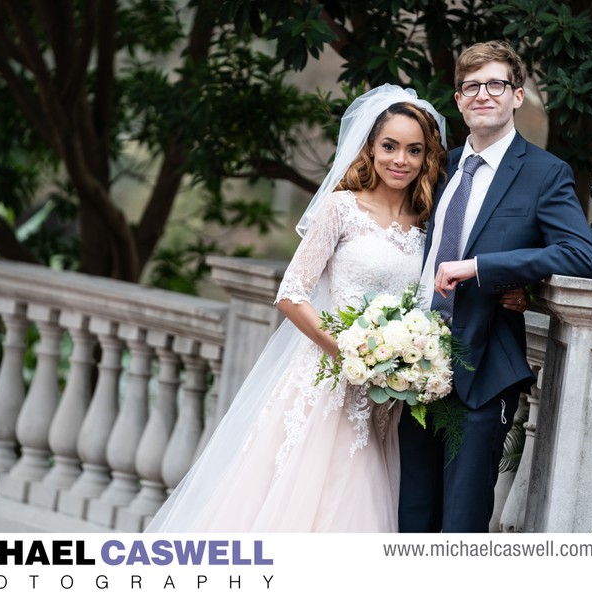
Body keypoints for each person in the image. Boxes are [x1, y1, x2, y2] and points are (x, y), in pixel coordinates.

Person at [145, 84, 450, 532]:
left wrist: (404, 359)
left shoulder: (427, 223)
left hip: (386, 397)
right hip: (326, 381)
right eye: (390, 146)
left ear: (427, 158)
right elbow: (291, 293)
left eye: (413, 150)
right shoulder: (341, 209)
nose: (399, 160)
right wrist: (349, 353)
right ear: (370, 147)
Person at [397, 41, 592, 533]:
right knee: (410, 517)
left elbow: (579, 254)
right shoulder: (436, 168)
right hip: (411, 367)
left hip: (484, 367)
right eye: (471, 86)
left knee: (461, 525)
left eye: (495, 84)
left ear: (517, 96)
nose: (482, 95)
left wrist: (483, 268)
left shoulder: (544, 173)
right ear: (459, 99)